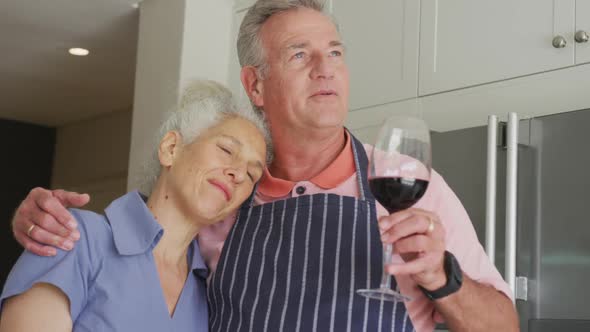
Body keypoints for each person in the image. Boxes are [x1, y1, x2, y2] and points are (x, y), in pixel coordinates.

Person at [10, 1, 519, 331]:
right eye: (300, 55)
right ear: (255, 86)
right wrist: (47, 220)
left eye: (335, 52)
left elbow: (503, 325)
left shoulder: (412, 183)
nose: (326, 69)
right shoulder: (223, 204)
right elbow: (141, 241)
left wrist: (441, 276)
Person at [1, 80, 270, 331]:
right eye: (226, 150)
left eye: (251, 175)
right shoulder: (74, 236)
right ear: (171, 148)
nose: (237, 173)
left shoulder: (208, 292)